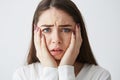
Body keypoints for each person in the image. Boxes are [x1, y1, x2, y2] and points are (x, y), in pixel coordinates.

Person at [13, 0, 111, 80]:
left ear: (79, 32)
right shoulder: (23, 75)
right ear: (35, 33)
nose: (56, 40)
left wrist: (66, 69)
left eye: (65, 30)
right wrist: (50, 70)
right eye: (46, 30)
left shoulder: (100, 76)